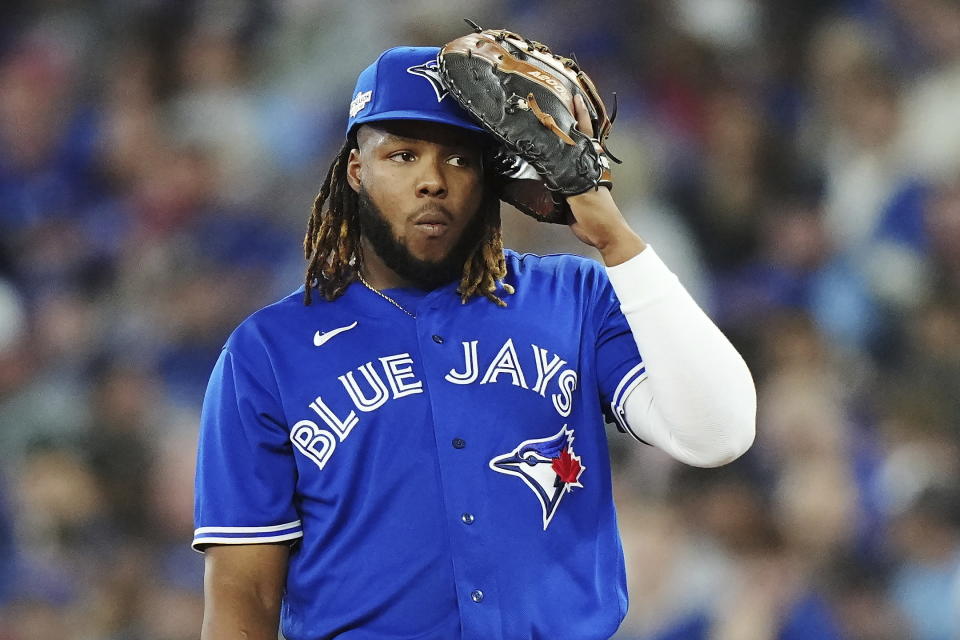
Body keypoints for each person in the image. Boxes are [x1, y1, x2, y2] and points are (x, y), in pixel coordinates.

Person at [193, 45, 757, 640]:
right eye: (403, 156)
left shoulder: (574, 297)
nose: (432, 181)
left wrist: (613, 237)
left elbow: (718, 432)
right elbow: (243, 591)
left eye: (459, 159)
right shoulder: (268, 352)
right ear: (357, 171)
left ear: (490, 176)